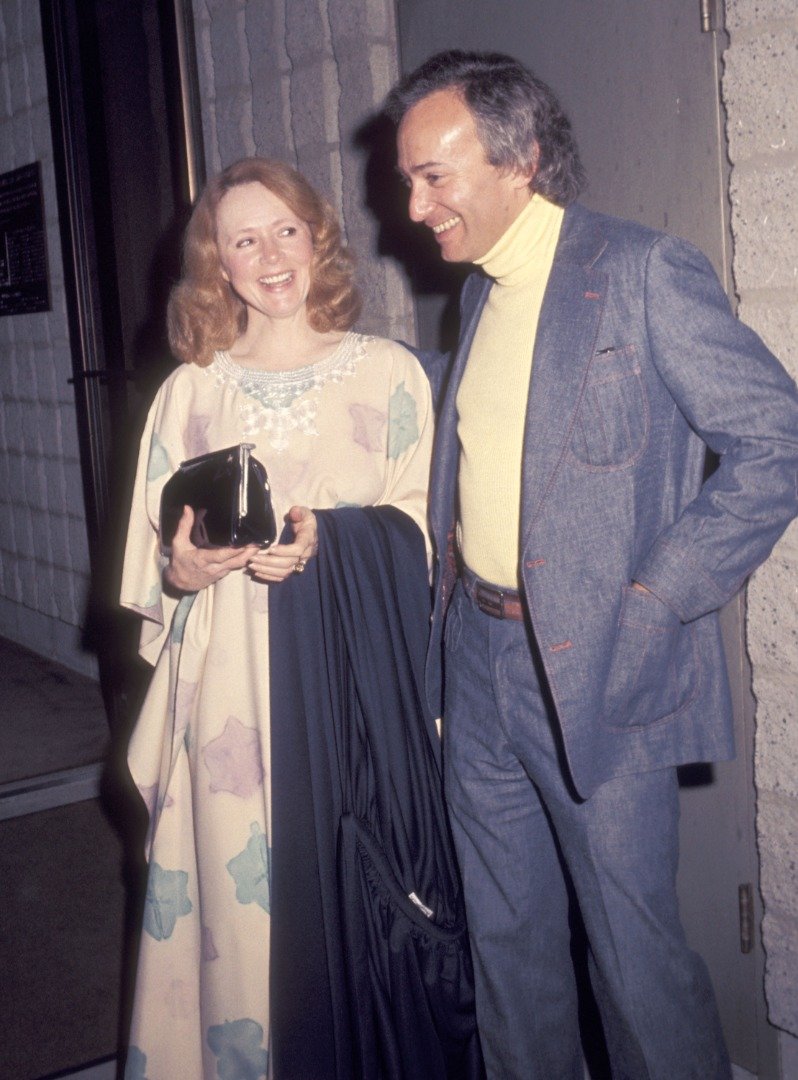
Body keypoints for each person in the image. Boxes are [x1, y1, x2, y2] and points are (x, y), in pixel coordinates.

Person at [386, 50, 798, 1079]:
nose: (412, 204)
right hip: (476, 666)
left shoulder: (644, 272)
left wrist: (660, 599)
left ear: (520, 160)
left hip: (601, 670)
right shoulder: (475, 299)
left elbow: (774, 441)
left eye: (434, 175)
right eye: (408, 178)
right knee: (509, 949)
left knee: (633, 958)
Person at [119, 158, 481, 1079]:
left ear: (318, 236)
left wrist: (335, 541)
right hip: (225, 706)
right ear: (218, 266)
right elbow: (153, 573)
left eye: (285, 229)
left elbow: (434, 537)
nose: (270, 254)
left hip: (351, 697)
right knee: (238, 924)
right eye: (243, 239)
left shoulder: (392, 375)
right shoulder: (189, 393)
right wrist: (186, 565)